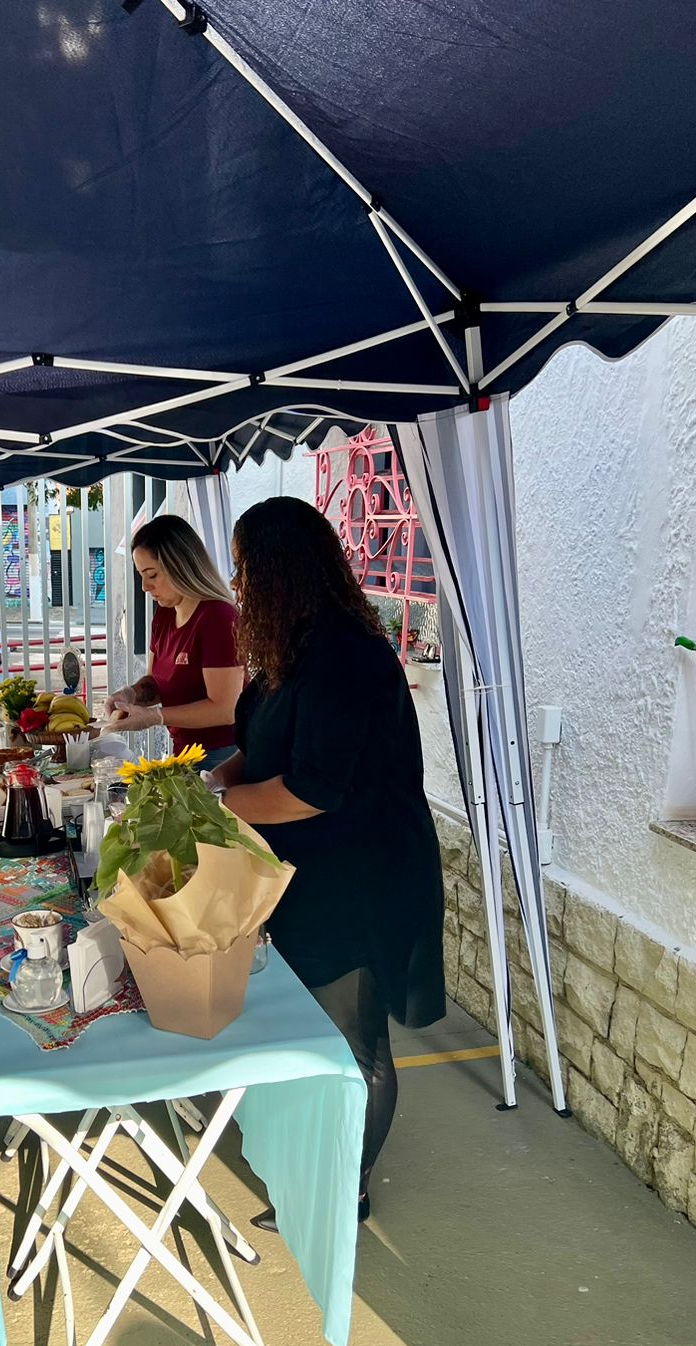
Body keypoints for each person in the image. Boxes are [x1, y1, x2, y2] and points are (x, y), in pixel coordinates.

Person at [213, 498, 445, 1226]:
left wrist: (219, 808)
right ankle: (323, 1157)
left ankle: (348, 1188)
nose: (239, 582)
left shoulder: (345, 655)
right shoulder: (297, 647)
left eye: (247, 567)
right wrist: (209, 778)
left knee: (355, 1040)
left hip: (365, 876)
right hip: (312, 875)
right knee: (315, 1029)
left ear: (281, 569)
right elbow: (267, 744)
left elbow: (313, 789)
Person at [105, 514, 243, 769]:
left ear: (180, 566)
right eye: (141, 575)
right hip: (183, 752)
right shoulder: (165, 614)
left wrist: (156, 717)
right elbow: (156, 684)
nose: (145, 587)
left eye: (152, 575)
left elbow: (225, 708)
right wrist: (131, 694)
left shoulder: (218, 617)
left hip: (223, 757)